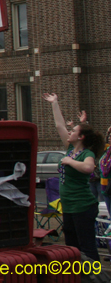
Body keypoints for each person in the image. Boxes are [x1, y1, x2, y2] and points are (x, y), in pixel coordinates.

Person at [43, 92, 105, 261]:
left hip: (83, 206)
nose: (69, 132)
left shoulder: (86, 153)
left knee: (87, 247)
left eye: (74, 131)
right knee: (71, 248)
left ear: (81, 137)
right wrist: (54, 103)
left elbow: (88, 168)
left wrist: (70, 162)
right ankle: (77, 277)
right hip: (69, 207)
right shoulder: (70, 150)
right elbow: (59, 126)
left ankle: (96, 278)